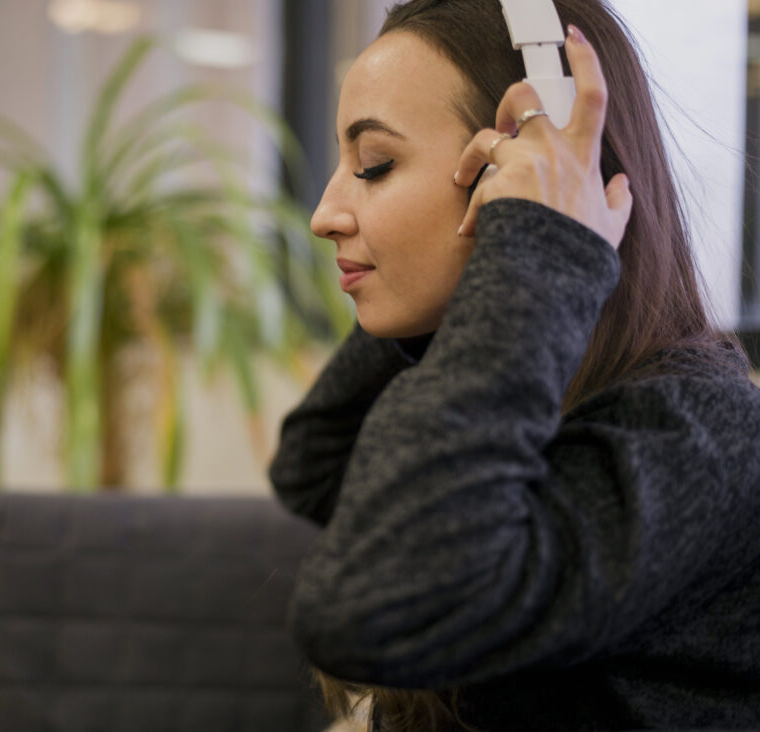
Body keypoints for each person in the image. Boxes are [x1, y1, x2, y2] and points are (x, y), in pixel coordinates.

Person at [268, 0, 760, 729]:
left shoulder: (703, 435)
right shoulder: (531, 373)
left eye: (375, 164)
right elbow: (314, 461)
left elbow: (369, 607)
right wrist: (494, 281)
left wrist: (533, 250)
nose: (325, 211)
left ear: (522, 168)